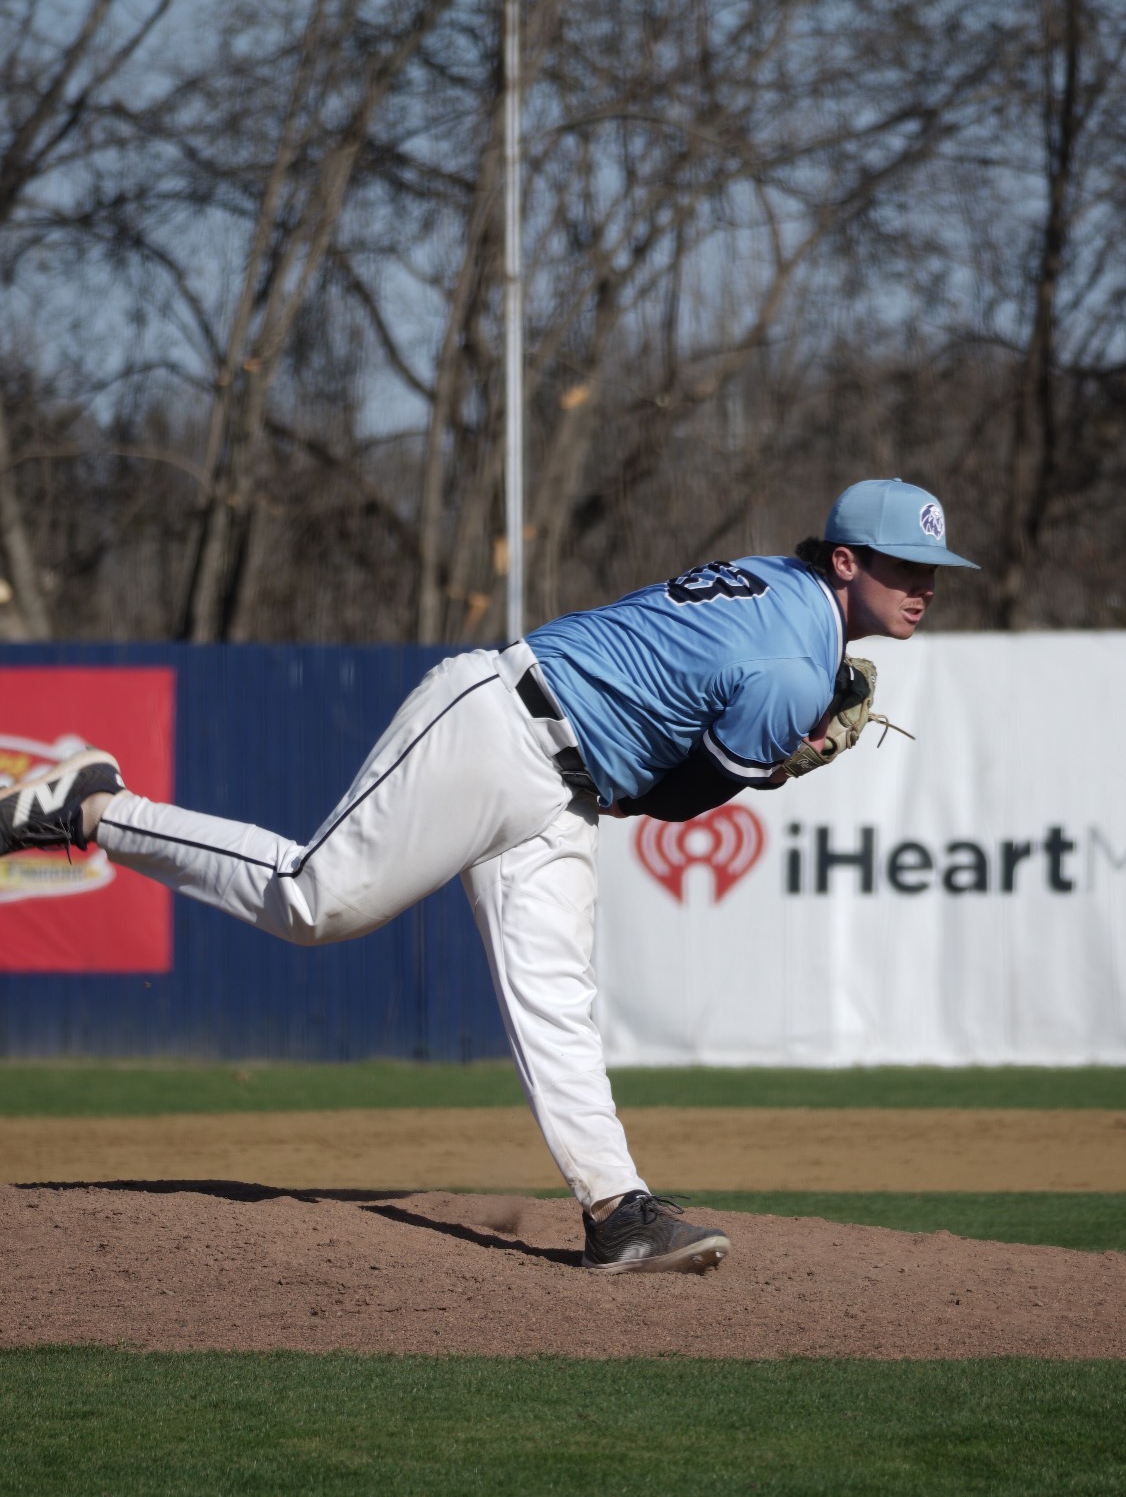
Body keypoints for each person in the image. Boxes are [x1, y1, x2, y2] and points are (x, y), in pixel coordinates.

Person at [0, 477, 976, 1272]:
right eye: (905, 565)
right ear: (844, 561)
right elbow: (676, 803)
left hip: (563, 781)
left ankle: (615, 1209)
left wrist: (769, 748)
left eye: (933, 568)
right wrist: (777, 759)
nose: (924, 585)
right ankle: (98, 804)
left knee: (556, 994)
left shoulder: (781, 587)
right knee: (311, 900)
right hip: (498, 725)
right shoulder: (792, 667)